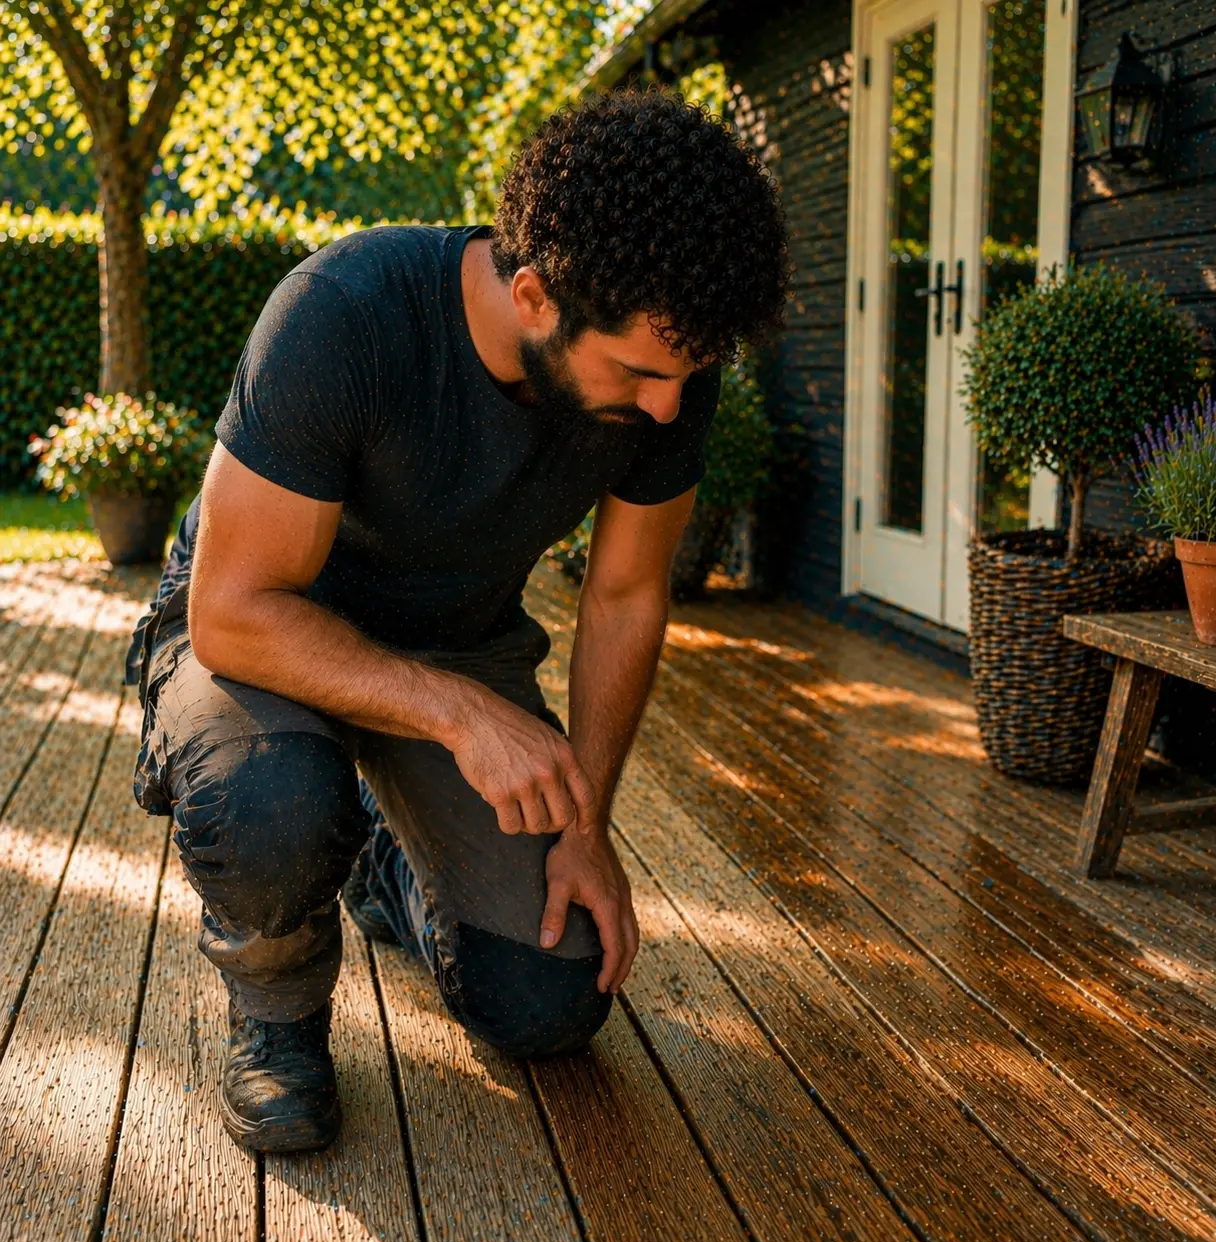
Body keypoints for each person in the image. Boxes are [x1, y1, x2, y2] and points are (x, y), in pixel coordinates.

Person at [126, 88, 791, 1154]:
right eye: (638, 374)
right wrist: (457, 713)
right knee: (272, 805)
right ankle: (277, 1015)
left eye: (685, 379)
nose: (667, 409)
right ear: (533, 296)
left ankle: (384, 862)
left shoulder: (669, 365)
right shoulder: (344, 313)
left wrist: (586, 826)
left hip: (457, 642)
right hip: (263, 635)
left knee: (551, 1001)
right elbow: (234, 611)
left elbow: (624, 596)